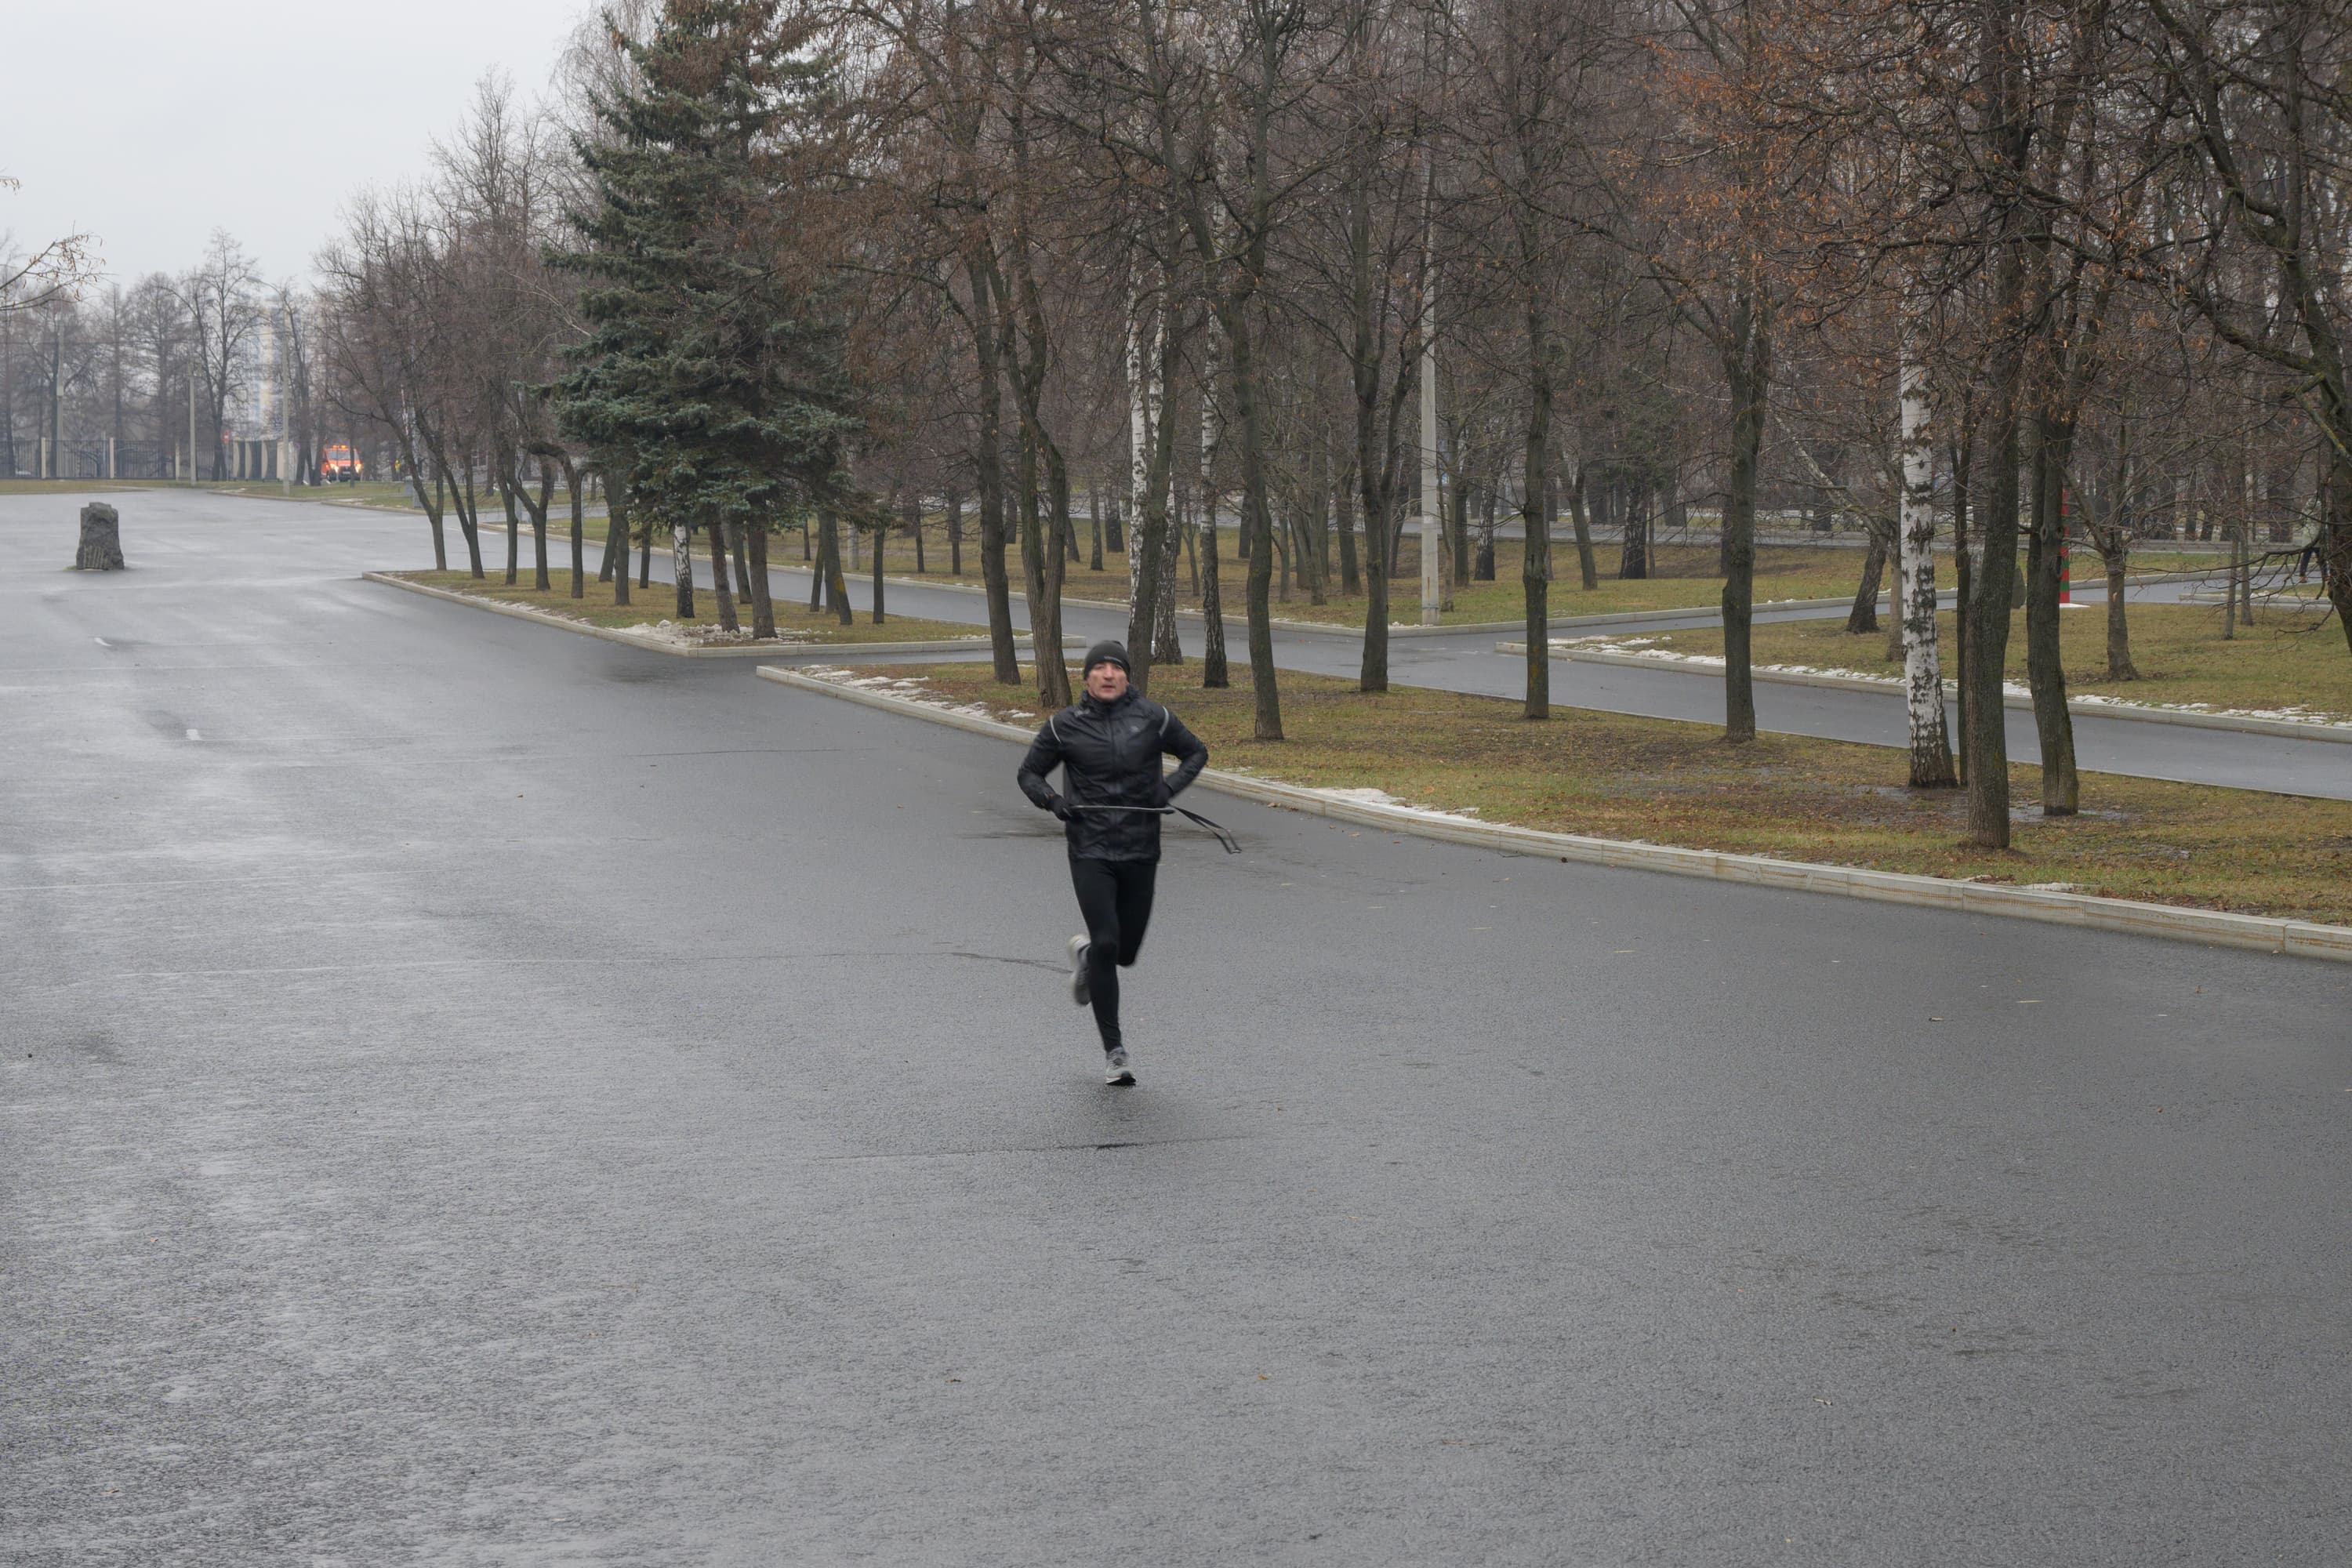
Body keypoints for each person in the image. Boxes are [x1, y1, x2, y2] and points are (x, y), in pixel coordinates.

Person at [1016, 640, 1209, 1084]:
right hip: (1091, 849)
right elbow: (1029, 773)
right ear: (1086, 677)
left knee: (1125, 952)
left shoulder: (1154, 718)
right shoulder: (1064, 725)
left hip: (1141, 849)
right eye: (1099, 668)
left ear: (1126, 676)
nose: (1108, 675)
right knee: (1107, 942)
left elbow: (1196, 752)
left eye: (1116, 668)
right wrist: (1052, 800)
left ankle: (1086, 956)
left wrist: (1168, 788)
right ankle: (1115, 1051)